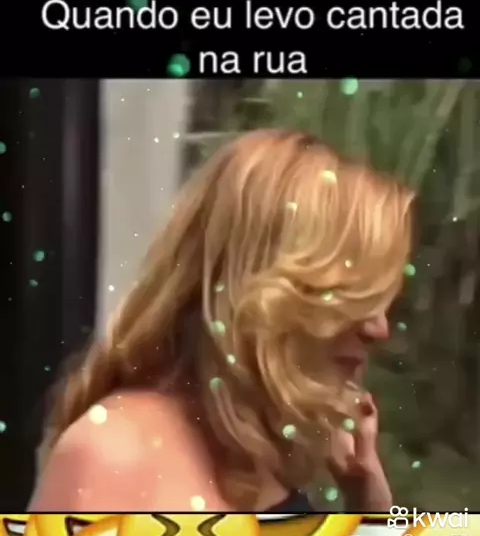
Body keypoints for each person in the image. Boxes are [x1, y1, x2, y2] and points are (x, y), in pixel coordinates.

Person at [29, 129, 414, 513]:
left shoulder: (259, 449)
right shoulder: (111, 456)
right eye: (350, 293)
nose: (378, 329)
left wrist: (369, 502)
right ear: (261, 288)